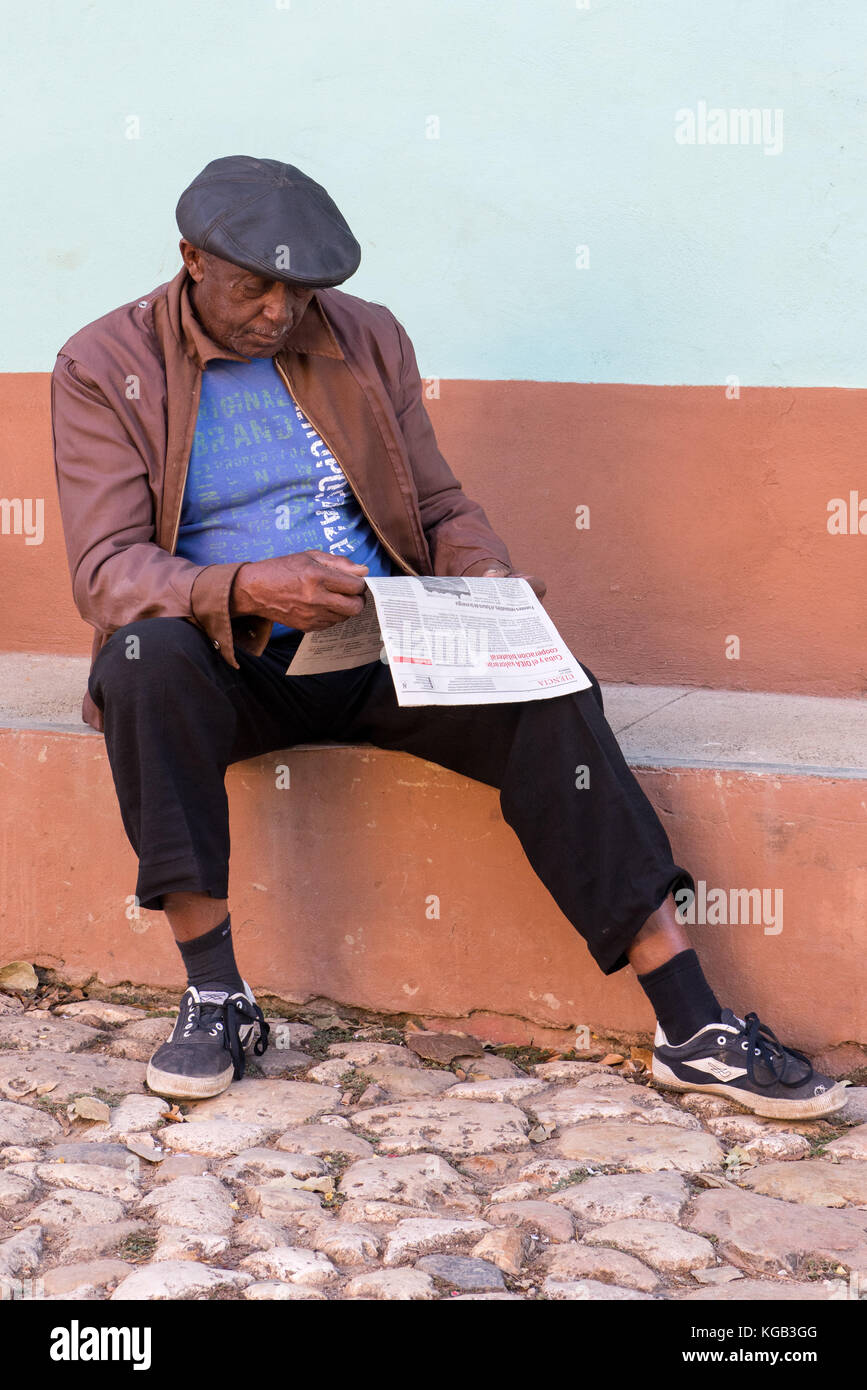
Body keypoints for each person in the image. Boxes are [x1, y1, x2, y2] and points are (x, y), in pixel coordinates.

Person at [51, 155, 846, 1118]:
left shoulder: (366, 336)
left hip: (383, 643)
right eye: (254, 286)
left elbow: (434, 501)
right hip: (232, 665)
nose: (278, 311)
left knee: (548, 682)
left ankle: (692, 1023)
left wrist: (481, 576)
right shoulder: (104, 365)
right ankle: (217, 993)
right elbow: (108, 575)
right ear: (189, 259)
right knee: (141, 658)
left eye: (300, 292)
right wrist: (250, 584)